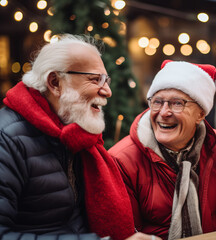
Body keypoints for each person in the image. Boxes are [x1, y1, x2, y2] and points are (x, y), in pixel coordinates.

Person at [0, 34, 160, 240]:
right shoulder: (7, 139)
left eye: (106, 80)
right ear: (55, 82)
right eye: (95, 79)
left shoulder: (75, 135)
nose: (108, 91)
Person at [109, 60, 216, 240]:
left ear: (200, 114)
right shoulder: (121, 160)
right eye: (157, 102)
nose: (164, 112)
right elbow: (126, 233)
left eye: (177, 103)